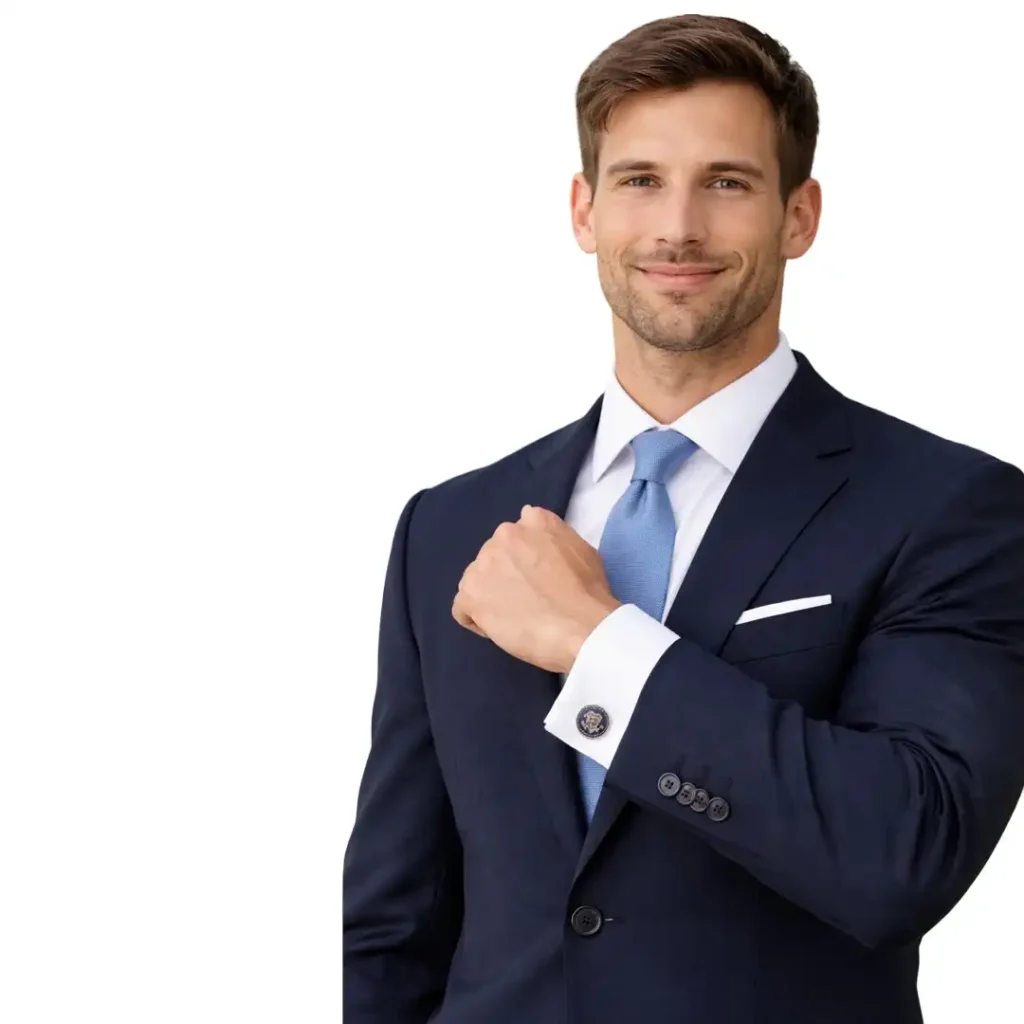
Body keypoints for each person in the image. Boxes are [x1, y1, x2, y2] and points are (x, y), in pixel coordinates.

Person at [342, 14, 1024, 1023]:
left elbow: (901, 853)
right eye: (638, 181)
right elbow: (396, 918)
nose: (677, 228)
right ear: (583, 210)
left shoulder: (949, 508)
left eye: (726, 181)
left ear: (799, 216)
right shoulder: (450, 526)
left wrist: (595, 641)